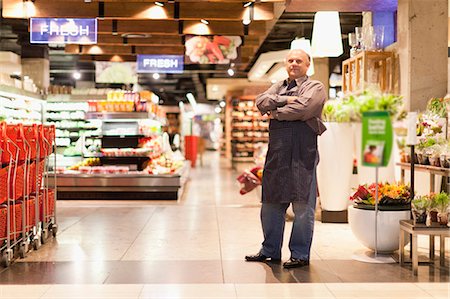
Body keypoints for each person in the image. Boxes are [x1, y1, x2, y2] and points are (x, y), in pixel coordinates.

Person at [245, 49, 327, 268]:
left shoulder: (315, 87)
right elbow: (261, 102)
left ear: (308, 64)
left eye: (298, 60)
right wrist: (286, 99)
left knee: (302, 207)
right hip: (277, 155)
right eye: (290, 60)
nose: (294, 63)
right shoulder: (279, 86)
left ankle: (299, 254)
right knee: (270, 204)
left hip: (303, 155)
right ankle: (269, 250)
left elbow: (305, 108)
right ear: (285, 64)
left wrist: (277, 112)